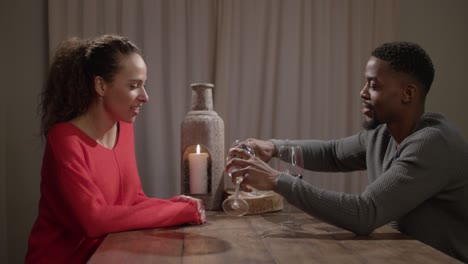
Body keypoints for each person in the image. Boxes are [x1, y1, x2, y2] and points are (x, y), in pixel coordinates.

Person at [226, 41, 468, 262]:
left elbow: (365, 214)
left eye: (373, 85)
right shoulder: (382, 134)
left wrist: (275, 180)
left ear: (408, 93)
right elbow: (332, 153)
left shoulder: (433, 143)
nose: (363, 92)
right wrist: (274, 147)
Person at [26, 34, 206, 263]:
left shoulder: (123, 128)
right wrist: (179, 212)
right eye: (134, 86)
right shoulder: (64, 138)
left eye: (144, 85)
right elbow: (94, 220)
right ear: (101, 85)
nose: (145, 97)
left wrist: (175, 204)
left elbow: (132, 200)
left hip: (110, 255)